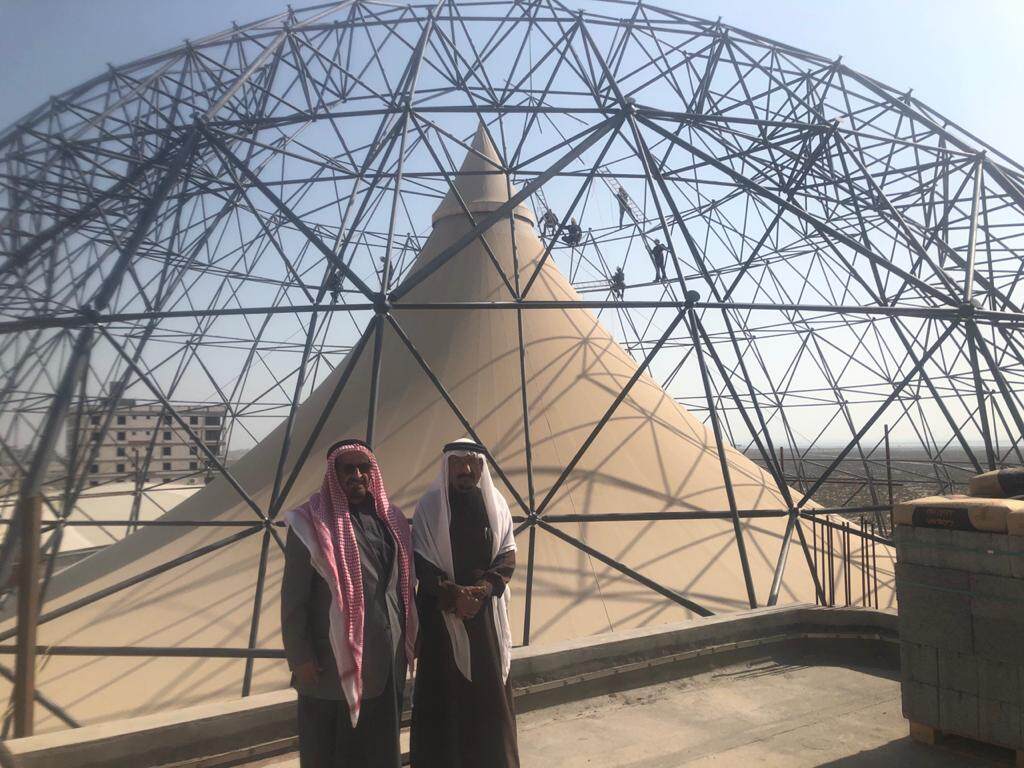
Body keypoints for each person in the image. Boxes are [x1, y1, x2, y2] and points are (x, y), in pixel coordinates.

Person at [281, 438, 417, 768]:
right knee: (331, 751)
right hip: (330, 666)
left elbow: (401, 586)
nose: (357, 474)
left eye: (363, 467)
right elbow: (293, 598)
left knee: (379, 747)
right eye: (348, 469)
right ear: (333, 475)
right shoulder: (310, 524)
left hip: (386, 658)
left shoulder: (391, 520)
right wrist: (300, 657)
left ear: (373, 472)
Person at [411, 439, 519, 768]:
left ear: (482, 468)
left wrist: (483, 591)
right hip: (441, 615)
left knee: (490, 697)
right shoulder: (430, 506)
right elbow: (422, 562)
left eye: (472, 463)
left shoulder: (495, 503)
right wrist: (454, 595)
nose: (466, 470)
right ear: (447, 465)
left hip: (484, 615)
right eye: (458, 462)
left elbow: (507, 555)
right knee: (444, 696)